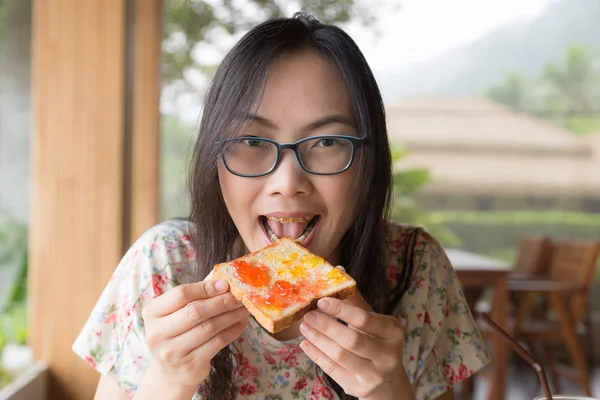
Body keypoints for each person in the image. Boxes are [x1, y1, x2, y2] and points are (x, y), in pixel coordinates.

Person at [73, 12, 490, 400]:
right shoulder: (165, 264)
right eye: (252, 142)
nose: (288, 184)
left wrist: (387, 389)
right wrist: (167, 380)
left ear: (369, 160)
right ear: (212, 159)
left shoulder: (415, 270)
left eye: (328, 142)